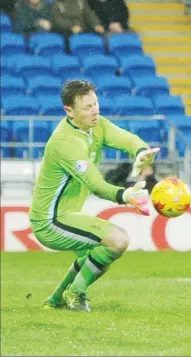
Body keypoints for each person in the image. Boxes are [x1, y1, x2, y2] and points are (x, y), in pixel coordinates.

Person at [29, 80, 160, 312]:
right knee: (117, 241)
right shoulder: (65, 142)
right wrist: (125, 195)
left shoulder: (96, 125)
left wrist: (141, 152)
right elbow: (96, 184)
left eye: (96, 104)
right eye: (87, 107)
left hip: (67, 215)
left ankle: (56, 300)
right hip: (50, 221)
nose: (95, 111)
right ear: (69, 111)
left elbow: (127, 139)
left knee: (97, 253)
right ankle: (75, 293)